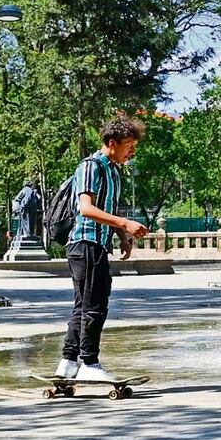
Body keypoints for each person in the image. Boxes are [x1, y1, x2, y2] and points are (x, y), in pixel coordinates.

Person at [54, 116, 149, 382]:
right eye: (129, 144)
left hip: (97, 243)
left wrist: (122, 235)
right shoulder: (91, 166)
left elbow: (109, 208)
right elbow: (86, 208)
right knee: (95, 305)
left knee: (83, 305)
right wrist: (125, 223)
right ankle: (89, 362)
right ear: (112, 143)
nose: (132, 150)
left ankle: (68, 362)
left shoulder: (114, 171)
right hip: (85, 242)